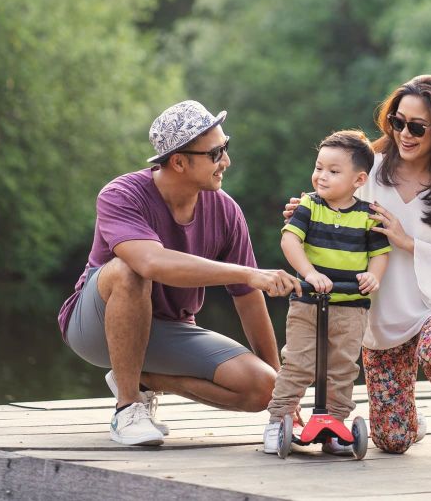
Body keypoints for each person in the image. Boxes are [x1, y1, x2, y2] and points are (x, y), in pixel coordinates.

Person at [58, 100, 301, 446]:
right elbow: (150, 263)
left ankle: (145, 379)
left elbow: (248, 299)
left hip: (170, 329)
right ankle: (127, 408)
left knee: (264, 388)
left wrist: (283, 397)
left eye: (225, 147)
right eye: (215, 153)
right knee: (129, 269)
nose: (226, 161)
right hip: (95, 327)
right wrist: (247, 273)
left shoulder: (226, 211)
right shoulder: (121, 195)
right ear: (179, 162)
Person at [284, 75, 431, 460]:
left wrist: (407, 242)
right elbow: (330, 205)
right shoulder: (369, 170)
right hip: (380, 318)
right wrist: (305, 215)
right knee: (393, 441)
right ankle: (407, 418)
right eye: (397, 121)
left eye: (417, 127)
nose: (404, 134)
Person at [264, 130, 391, 455]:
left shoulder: (367, 215)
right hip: (308, 301)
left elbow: (379, 254)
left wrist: (373, 276)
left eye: (333, 171)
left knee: (342, 367)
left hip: (351, 306)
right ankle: (279, 420)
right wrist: (310, 273)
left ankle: (334, 424)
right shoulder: (309, 205)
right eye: (319, 167)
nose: (322, 176)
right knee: (298, 362)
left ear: (358, 179)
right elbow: (290, 240)